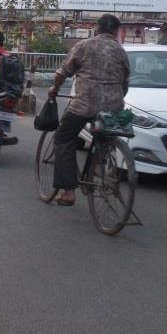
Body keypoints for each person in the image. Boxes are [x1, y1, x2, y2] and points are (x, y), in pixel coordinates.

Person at [46, 14, 130, 206]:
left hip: (84, 104)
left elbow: (63, 73)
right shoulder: (121, 51)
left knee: (63, 138)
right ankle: (94, 170)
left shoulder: (84, 46)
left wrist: (54, 89)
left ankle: (68, 192)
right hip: (113, 107)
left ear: (97, 28)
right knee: (102, 137)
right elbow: (125, 83)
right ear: (116, 31)